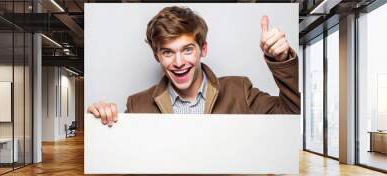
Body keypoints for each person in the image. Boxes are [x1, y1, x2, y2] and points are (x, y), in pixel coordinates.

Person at [87, 6, 300, 126]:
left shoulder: (240, 90)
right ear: (156, 56)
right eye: (167, 52)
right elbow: (123, 155)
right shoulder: (137, 105)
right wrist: (99, 118)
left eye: (187, 50)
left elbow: (291, 117)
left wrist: (281, 60)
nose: (179, 63)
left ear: (203, 49)